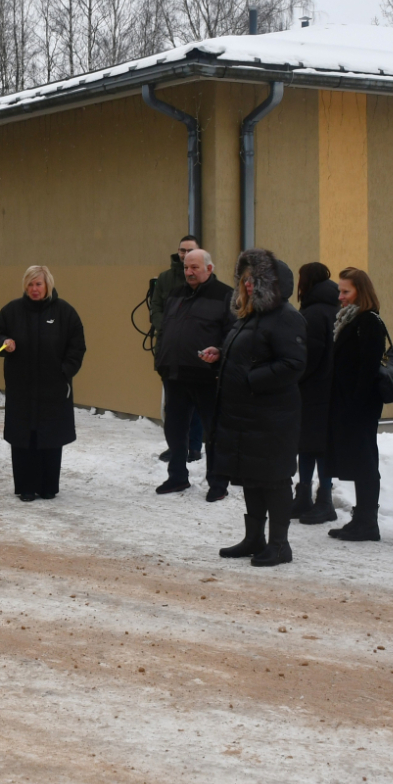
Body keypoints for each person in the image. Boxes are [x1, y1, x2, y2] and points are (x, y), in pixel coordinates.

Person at [210, 250, 307, 567]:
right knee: (252, 477)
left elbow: (294, 364)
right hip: (246, 414)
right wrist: (221, 355)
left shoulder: (286, 317)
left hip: (272, 416)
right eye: (246, 278)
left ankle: (279, 545)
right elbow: (247, 353)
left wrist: (252, 379)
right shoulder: (251, 315)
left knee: (274, 479)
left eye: (256, 279)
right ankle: (255, 539)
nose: (248, 284)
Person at [0, 266, 87, 502]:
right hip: (21, 387)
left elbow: (77, 345)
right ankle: (26, 487)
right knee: (24, 437)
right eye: (30, 284)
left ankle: (48, 486)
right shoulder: (12, 311)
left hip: (54, 388)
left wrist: (66, 371)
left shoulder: (65, 312)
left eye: (38, 284)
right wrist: (4, 341)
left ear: (48, 285)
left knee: (50, 437)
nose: (34, 289)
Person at [152, 248, 235, 497]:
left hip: (207, 376)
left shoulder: (225, 295)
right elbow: (167, 329)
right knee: (175, 430)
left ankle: (218, 484)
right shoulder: (176, 294)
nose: (189, 272)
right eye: (186, 267)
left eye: (194, 267)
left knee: (214, 432)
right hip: (175, 374)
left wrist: (220, 352)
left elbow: (233, 334)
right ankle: (177, 477)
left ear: (209, 268)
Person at [326, 267, 387, 541]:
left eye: (345, 291)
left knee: (364, 462)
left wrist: (355, 406)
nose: (341, 296)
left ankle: (367, 523)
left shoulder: (368, 322)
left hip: (360, 406)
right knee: (360, 461)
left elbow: (368, 370)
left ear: (360, 292)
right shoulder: (351, 320)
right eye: (340, 291)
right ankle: (362, 518)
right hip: (348, 403)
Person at [151, 235, 204, 464]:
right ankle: (175, 447)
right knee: (172, 404)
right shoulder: (165, 279)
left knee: (196, 402)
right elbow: (156, 309)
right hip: (169, 350)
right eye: (182, 250)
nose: (185, 254)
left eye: (190, 250)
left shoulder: (205, 278)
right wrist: (170, 328)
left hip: (195, 350)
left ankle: (194, 447)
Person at [293, 263, 338, 524]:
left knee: (313, 447)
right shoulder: (334, 306)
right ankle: (310, 497)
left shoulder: (313, 313)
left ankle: (321, 500)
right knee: (314, 445)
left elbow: (308, 356)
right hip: (329, 388)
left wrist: (294, 377)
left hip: (313, 389)